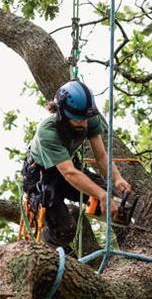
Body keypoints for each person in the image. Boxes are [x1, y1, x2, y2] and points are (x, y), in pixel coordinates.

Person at [22, 79, 132, 250]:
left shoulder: (88, 117)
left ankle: (129, 245)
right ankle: (49, 243)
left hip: (68, 168)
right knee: (65, 230)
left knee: (115, 201)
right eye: (78, 120)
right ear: (61, 114)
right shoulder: (48, 132)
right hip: (42, 178)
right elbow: (69, 174)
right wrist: (101, 195)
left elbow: (101, 156)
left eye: (86, 119)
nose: (84, 124)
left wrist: (116, 179)